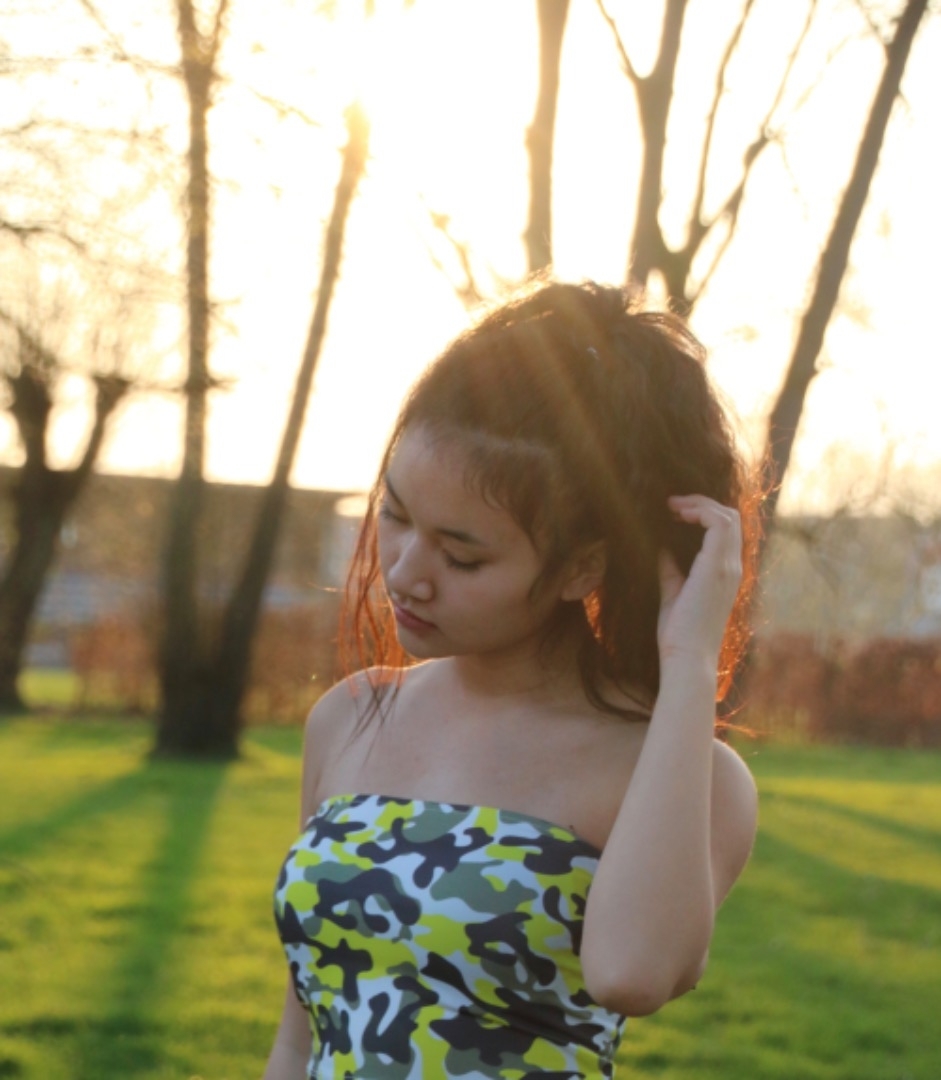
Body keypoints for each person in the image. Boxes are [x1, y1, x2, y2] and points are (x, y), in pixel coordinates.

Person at [265, 280, 760, 1080]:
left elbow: (632, 973)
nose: (405, 572)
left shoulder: (683, 775)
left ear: (582, 567)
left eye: (461, 555)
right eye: (395, 515)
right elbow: (300, 1034)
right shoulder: (351, 716)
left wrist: (689, 664)